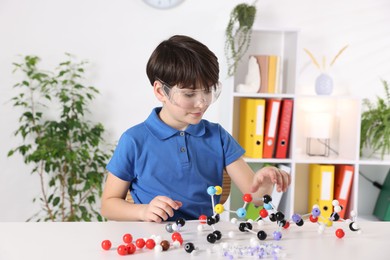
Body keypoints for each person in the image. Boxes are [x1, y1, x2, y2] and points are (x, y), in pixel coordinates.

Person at [101, 35, 291, 222]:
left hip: (205, 238)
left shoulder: (217, 136)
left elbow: (256, 197)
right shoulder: (134, 140)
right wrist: (143, 212)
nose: (201, 103)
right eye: (190, 93)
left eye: (208, 90)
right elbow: (108, 205)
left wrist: (264, 184)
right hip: (156, 240)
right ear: (161, 91)